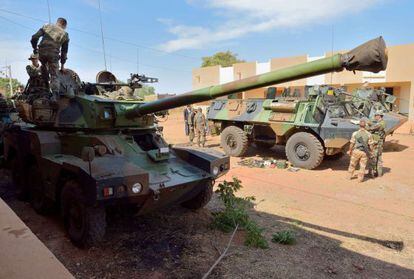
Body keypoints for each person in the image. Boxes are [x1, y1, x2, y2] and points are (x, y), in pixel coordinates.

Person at [31, 17, 69, 95]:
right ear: (64, 26)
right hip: (53, 54)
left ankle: (45, 89)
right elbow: (64, 53)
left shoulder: (47, 26)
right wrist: (62, 66)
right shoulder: (65, 35)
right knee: (54, 75)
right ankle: (55, 96)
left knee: (44, 67)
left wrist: (35, 48)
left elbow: (34, 37)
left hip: (41, 52)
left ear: (57, 22)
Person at [367, 110, 386, 177]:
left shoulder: (381, 123)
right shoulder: (380, 122)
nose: (375, 117)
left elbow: (373, 128)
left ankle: (371, 173)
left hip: (376, 143)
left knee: (373, 157)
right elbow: (373, 124)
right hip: (379, 142)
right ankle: (379, 173)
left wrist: (365, 127)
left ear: (379, 116)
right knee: (379, 157)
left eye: (376, 115)